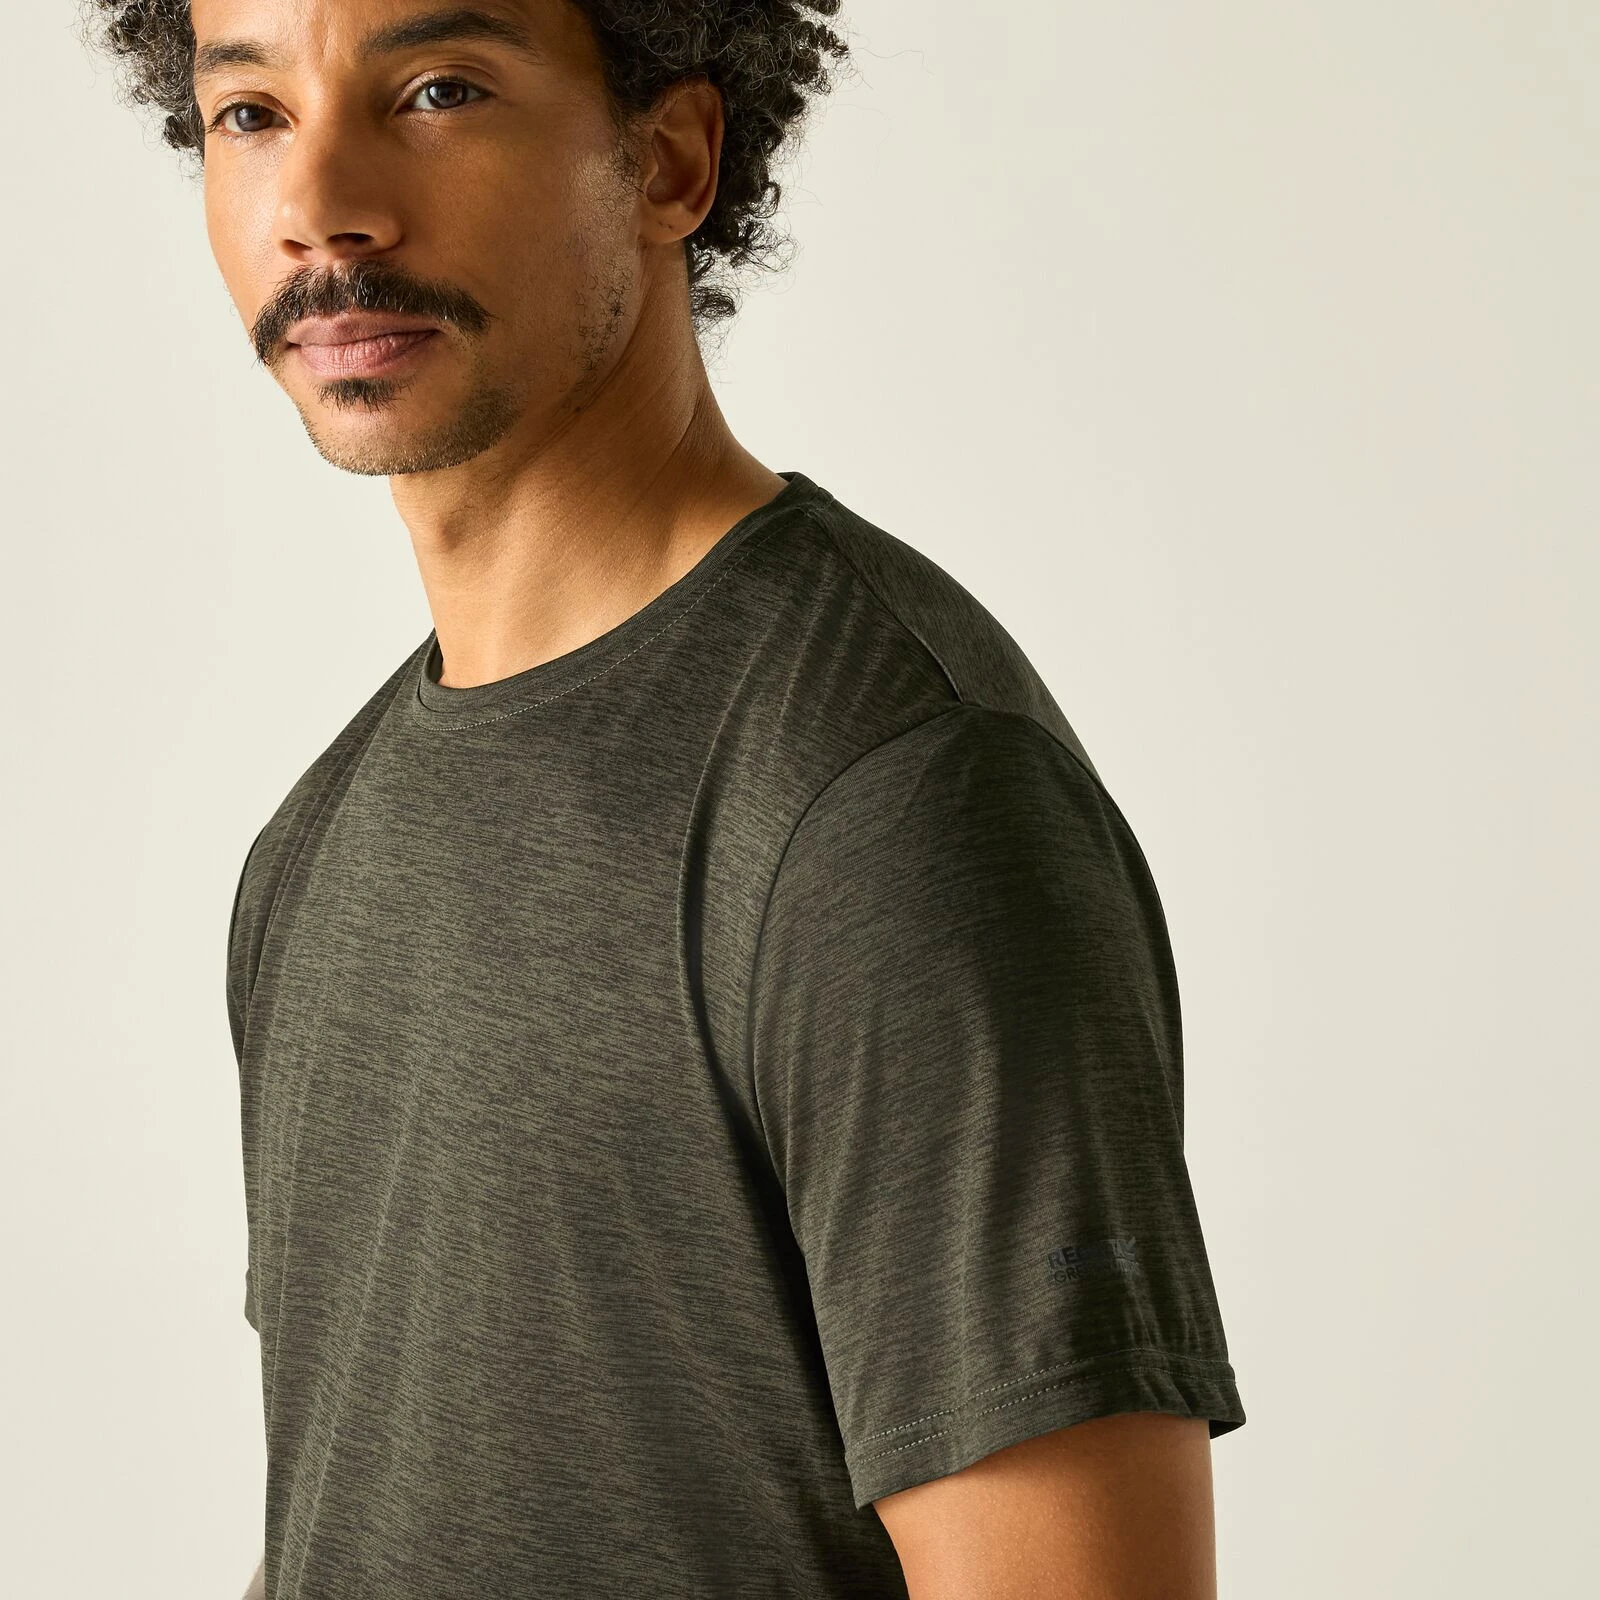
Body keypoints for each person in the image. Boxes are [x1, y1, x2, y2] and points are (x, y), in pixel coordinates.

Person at [87, 2, 1247, 1595]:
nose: (322, 205)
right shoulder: (316, 844)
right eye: (252, 115)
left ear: (671, 159)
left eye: (438, 90)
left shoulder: (891, 803)